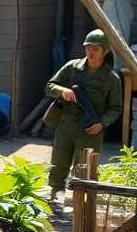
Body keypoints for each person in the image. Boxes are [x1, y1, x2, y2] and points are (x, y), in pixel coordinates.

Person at [44, 29, 122, 202]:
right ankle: (56, 193)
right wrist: (62, 90)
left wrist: (102, 124)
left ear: (105, 51)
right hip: (66, 125)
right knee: (59, 163)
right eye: (88, 48)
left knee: (85, 170)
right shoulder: (72, 68)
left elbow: (115, 108)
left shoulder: (111, 78)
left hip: (90, 131)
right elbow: (50, 86)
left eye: (95, 48)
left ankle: (83, 202)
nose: (90, 52)